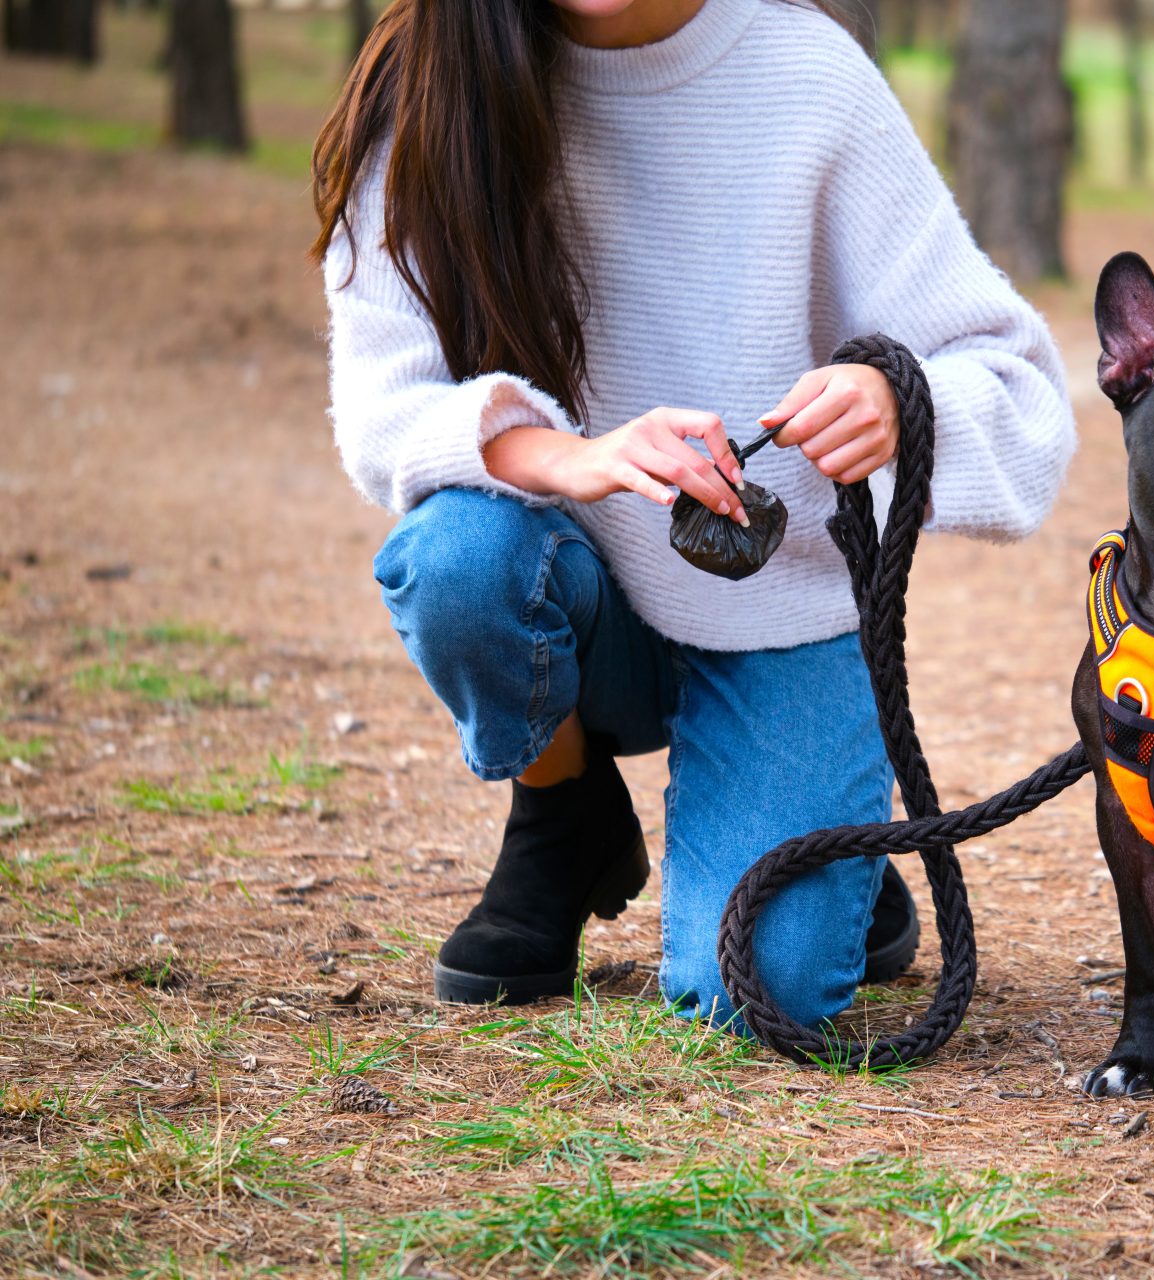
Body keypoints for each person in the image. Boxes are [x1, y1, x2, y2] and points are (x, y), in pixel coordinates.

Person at [310, 0, 1074, 1028]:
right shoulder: (432, 76)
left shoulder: (810, 74)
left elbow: (1015, 383)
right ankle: (563, 812)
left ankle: (836, 852)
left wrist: (899, 402)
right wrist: (578, 457)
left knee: (757, 991)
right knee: (457, 561)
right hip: (567, 592)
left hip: (780, 613)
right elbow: (384, 403)